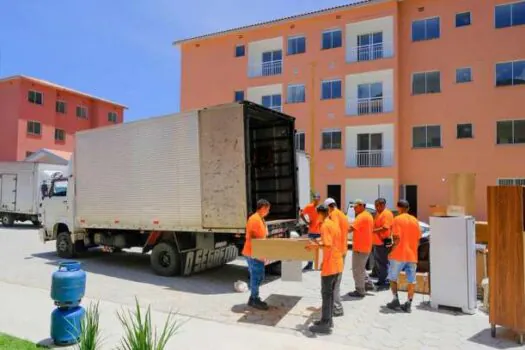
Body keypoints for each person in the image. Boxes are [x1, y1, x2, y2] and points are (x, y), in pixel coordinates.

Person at [307, 204, 343, 334]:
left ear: (319, 214)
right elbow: (329, 241)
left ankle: (325, 324)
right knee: (330, 294)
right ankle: (328, 320)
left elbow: (327, 245)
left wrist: (313, 246)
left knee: (326, 295)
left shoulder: (325, 226)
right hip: (337, 263)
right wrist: (317, 241)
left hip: (330, 265)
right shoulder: (333, 224)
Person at [386, 199, 422, 313]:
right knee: (411, 280)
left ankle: (395, 300)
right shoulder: (415, 221)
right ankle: (409, 303)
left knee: (392, 278)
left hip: (398, 254)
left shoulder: (397, 219)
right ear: (408, 208)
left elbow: (396, 238)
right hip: (412, 255)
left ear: (398, 208)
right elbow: (419, 239)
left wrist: (391, 251)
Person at [242, 199, 271, 310]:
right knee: (256, 276)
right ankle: (254, 299)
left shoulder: (261, 218)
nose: (268, 211)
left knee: (259, 276)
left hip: (257, 252)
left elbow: (262, 237)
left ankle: (253, 298)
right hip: (253, 253)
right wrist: (258, 254)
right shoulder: (254, 219)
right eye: (268, 209)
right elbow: (253, 238)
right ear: (263, 207)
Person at [324, 198, 349, 317]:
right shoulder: (343, 215)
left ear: (329, 207)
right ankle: (335, 306)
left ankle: (337, 308)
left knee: (334, 283)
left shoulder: (333, 215)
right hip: (343, 249)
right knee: (336, 281)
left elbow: (333, 232)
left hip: (336, 252)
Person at [347, 199, 375, 298]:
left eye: (355, 207)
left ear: (362, 205)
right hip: (365, 246)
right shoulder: (368, 215)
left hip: (360, 247)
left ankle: (360, 290)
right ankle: (368, 284)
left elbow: (350, 229)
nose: (354, 209)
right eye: (353, 207)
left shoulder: (361, 217)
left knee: (357, 269)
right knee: (361, 267)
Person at [372, 198, 394, 289]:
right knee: (380, 262)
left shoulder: (386, 214)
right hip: (378, 242)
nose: (376, 207)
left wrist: (373, 231)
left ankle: (385, 281)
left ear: (383, 205)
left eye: (378, 205)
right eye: (376, 205)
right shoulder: (379, 213)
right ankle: (383, 280)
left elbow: (385, 228)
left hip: (383, 242)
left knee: (383, 263)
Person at [301, 192, 321, 271]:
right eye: (315, 198)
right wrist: (307, 222)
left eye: (317, 198)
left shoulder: (321, 207)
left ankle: (319, 265)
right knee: (310, 248)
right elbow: (301, 214)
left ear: (319, 199)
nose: (316, 199)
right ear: (313, 199)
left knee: (320, 249)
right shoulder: (309, 207)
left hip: (320, 232)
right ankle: (309, 265)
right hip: (312, 231)